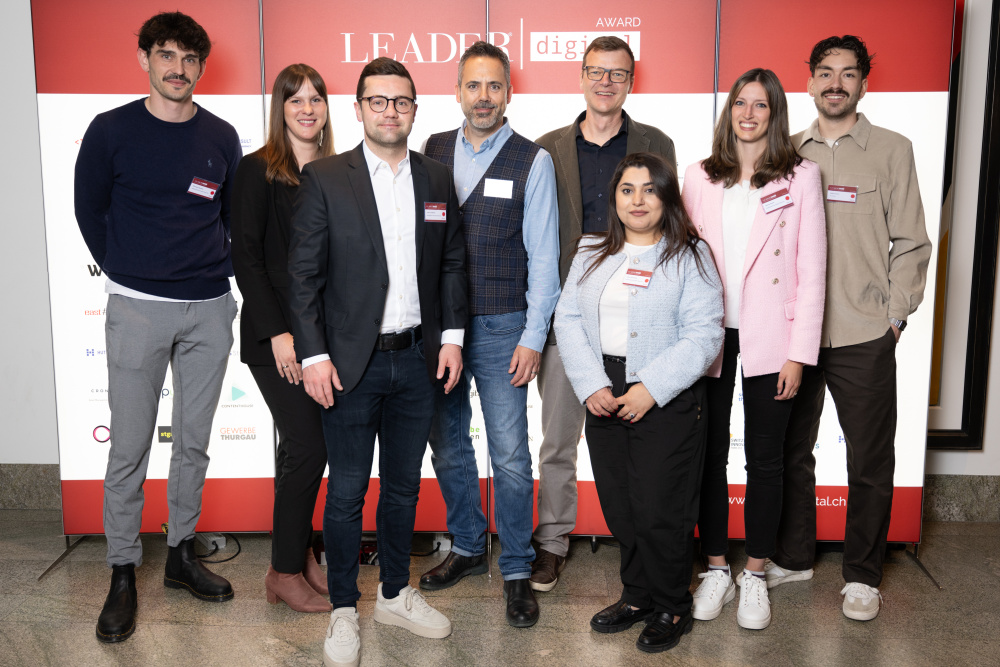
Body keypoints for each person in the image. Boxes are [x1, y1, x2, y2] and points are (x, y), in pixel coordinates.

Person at [287, 57, 467, 667]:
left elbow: (451, 262)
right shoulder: (325, 178)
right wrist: (313, 354)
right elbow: (303, 276)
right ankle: (344, 607)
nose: (391, 111)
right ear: (359, 108)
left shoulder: (437, 177)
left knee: (403, 487)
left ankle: (393, 592)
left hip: (418, 359)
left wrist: (452, 338)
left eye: (402, 101)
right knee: (345, 492)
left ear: (415, 109)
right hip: (348, 364)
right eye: (379, 100)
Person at [74, 12, 242, 644]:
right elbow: (89, 208)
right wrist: (128, 268)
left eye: (190, 58)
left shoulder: (221, 136)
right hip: (138, 307)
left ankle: (179, 555)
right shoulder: (110, 130)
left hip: (210, 307)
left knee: (193, 442)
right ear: (144, 58)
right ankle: (122, 571)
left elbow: (230, 217)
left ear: (201, 67)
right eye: (166, 55)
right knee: (129, 447)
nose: (178, 68)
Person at [769, 35, 932, 621]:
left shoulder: (893, 150)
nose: (835, 83)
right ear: (810, 80)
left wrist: (894, 318)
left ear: (863, 82)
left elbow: (911, 242)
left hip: (864, 332)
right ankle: (795, 557)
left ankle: (863, 575)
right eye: (825, 72)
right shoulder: (785, 151)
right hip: (796, 335)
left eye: (847, 73)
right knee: (791, 452)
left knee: (870, 460)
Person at [555, 152, 723, 653]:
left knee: (660, 509)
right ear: (614, 198)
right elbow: (567, 319)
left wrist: (650, 388)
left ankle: (672, 603)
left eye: (649, 189)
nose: (638, 200)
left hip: (665, 393)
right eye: (627, 190)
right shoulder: (590, 251)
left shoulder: (691, 255)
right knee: (621, 505)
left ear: (667, 196)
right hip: (603, 389)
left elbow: (704, 334)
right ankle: (637, 597)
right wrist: (591, 385)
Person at [417, 41, 559, 628]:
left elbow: (544, 259)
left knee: (511, 455)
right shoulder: (431, 150)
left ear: (508, 93)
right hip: (438, 328)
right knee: (448, 445)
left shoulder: (533, 160)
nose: (483, 97)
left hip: (504, 326)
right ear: (457, 92)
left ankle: (518, 568)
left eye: (494, 86)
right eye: (473, 85)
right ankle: (470, 545)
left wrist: (533, 336)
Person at [682, 68, 827, 629]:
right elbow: (682, 260)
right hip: (709, 333)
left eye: (760, 105)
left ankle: (756, 573)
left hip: (775, 336)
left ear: (775, 114)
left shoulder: (801, 176)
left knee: (766, 459)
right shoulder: (700, 176)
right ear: (730, 111)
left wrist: (799, 354)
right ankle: (717, 567)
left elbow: (811, 269)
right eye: (740, 103)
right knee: (708, 454)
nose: (748, 113)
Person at [532, 36, 676, 591]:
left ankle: (643, 553)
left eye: (617, 73)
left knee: (642, 444)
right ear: (582, 76)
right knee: (558, 440)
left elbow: (670, 224)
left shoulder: (656, 142)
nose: (606, 82)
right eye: (596, 71)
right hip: (566, 317)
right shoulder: (546, 149)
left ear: (631, 81)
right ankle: (551, 542)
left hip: (638, 318)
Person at [231, 64, 335, 613]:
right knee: (309, 446)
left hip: (323, 335)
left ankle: (301, 554)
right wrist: (278, 333)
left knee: (300, 450)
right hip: (277, 338)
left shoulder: (336, 170)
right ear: (281, 108)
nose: (307, 108)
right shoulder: (256, 170)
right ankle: (283, 570)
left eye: (316, 98)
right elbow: (246, 257)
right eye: (296, 99)